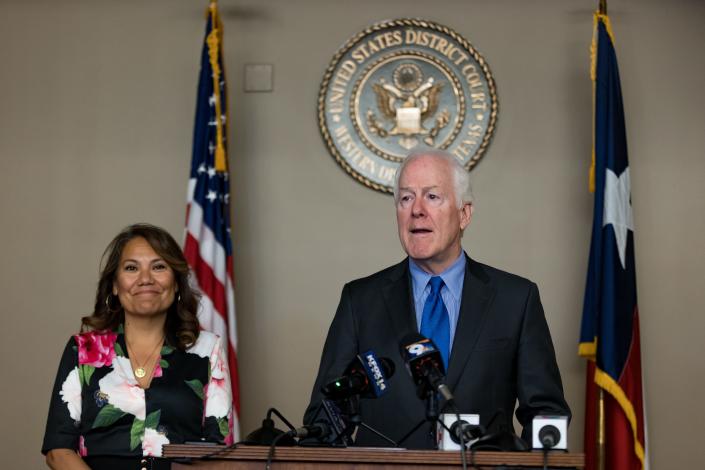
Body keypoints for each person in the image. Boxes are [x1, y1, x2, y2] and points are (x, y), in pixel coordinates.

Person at [304, 149, 570, 449]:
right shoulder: (360, 301)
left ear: (464, 213)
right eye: (406, 198)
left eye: (432, 197)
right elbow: (324, 419)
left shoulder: (516, 300)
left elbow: (546, 415)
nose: (416, 209)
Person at [43, 224, 232, 469]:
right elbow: (58, 450)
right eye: (132, 268)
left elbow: (220, 452)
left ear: (176, 283)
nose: (145, 279)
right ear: (114, 284)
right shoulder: (82, 350)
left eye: (159, 267)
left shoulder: (208, 349)